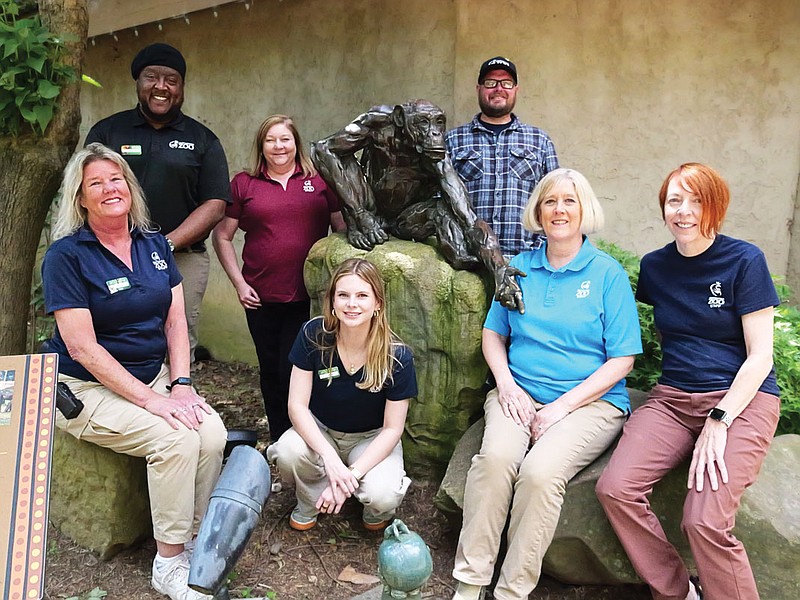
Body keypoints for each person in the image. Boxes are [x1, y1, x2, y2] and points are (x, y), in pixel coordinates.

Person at [42, 143, 227, 600]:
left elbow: (175, 320)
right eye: (95, 183)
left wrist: (181, 385)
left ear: (130, 186)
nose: (109, 189)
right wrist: (154, 402)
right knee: (175, 439)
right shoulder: (66, 256)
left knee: (212, 432)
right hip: (82, 386)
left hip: (151, 376)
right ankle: (167, 564)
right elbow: (82, 348)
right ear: (80, 199)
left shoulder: (153, 245)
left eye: (116, 179)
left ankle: (195, 541)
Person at [451, 168, 642, 600]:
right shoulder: (518, 268)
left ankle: (512, 590)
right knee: (495, 460)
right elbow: (493, 334)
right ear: (538, 211)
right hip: (519, 391)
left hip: (590, 402)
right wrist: (506, 384)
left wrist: (561, 408)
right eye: (550, 201)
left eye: (569, 201)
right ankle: (471, 579)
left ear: (584, 210)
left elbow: (623, 359)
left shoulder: (606, 274)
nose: (559, 210)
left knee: (539, 474)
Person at [596, 163, 781, 600]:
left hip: (743, 400)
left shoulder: (745, 260)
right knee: (615, 489)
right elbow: (669, 335)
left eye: (695, 200)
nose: (684, 211)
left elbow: (760, 357)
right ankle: (678, 592)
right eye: (674, 201)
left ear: (714, 206)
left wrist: (719, 419)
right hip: (673, 399)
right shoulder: (655, 267)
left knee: (703, 521)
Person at [85, 42, 231, 360]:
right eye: (152, 77)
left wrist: (164, 245)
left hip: (182, 259)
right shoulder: (108, 132)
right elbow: (88, 189)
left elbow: (216, 204)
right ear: (138, 82)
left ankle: (176, 401)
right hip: (110, 256)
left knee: (177, 341)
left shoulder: (202, 139)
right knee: (114, 337)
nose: (161, 87)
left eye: (171, 80)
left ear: (181, 87)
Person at [212, 114, 345, 441]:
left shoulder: (319, 180)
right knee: (272, 370)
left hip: (310, 297)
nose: (278, 146)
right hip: (261, 297)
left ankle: (311, 433)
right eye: (271, 140)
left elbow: (342, 230)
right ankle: (280, 436)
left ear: (295, 143)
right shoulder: (244, 183)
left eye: (284, 139)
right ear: (262, 146)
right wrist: (239, 284)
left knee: (302, 367)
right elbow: (222, 236)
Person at [267, 258, 417, 532]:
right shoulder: (313, 334)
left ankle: (365, 502)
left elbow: (393, 429)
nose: (352, 304)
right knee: (289, 452)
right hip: (321, 430)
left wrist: (352, 475)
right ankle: (312, 497)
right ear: (332, 302)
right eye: (343, 295)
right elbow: (296, 406)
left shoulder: (397, 356)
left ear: (377, 304)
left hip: (370, 438)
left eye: (362, 296)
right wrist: (331, 460)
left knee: (381, 494)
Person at [446, 56, 559, 257]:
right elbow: (439, 199)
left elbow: (554, 199)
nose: (499, 88)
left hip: (527, 262)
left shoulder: (539, 141)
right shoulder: (453, 141)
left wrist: (541, 249)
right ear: (478, 88)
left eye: (506, 83)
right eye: (490, 83)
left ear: (516, 89)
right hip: (470, 261)